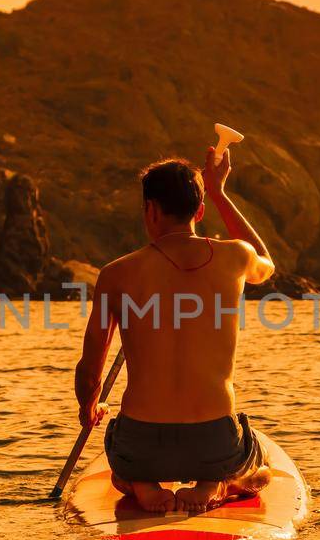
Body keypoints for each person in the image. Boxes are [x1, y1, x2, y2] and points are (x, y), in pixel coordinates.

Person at [75, 145, 277, 513]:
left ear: (150, 209)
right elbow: (267, 262)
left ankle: (142, 485)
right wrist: (219, 191)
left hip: (141, 443)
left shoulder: (117, 273)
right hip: (214, 441)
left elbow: (91, 370)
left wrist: (89, 407)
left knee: (119, 469)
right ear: (199, 210)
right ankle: (214, 483)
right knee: (260, 469)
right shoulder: (235, 256)